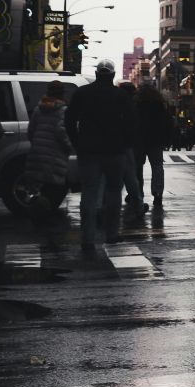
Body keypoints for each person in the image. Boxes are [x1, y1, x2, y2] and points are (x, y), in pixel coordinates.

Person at [66, 60, 135, 257]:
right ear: (112, 76)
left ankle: (87, 239)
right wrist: (126, 143)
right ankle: (111, 233)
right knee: (114, 192)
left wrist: (76, 142)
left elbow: (70, 119)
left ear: (97, 74)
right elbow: (132, 122)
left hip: (88, 150)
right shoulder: (121, 95)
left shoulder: (82, 93)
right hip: (115, 150)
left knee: (89, 193)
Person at [23, 80, 73, 221]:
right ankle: (44, 215)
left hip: (38, 153)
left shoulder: (39, 108)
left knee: (45, 186)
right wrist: (70, 146)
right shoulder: (62, 110)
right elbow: (61, 132)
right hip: (55, 155)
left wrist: (37, 144)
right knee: (58, 187)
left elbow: (30, 131)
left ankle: (40, 212)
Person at [134, 85, 175, 225]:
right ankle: (157, 193)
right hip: (156, 140)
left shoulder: (137, 105)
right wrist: (167, 139)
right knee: (157, 167)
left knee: (137, 167)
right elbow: (168, 123)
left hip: (139, 140)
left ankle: (138, 194)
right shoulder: (160, 106)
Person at [116, 82, 146, 226]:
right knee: (132, 177)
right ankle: (138, 205)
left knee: (114, 181)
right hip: (130, 146)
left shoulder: (114, 105)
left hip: (116, 146)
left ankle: (102, 209)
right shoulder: (134, 106)